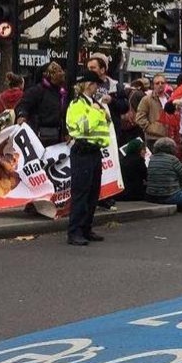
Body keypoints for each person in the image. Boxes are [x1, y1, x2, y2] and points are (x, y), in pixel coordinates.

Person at [65, 70, 111, 246]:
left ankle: (86, 228)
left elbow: (105, 125)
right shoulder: (77, 104)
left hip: (94, 150)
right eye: (95, 84)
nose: (97, 87)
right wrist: (96, 112)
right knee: (81, 192)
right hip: (82, 150)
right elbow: (82, 128)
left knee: (93, 192)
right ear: (89, 85)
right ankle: (74, 231)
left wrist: (102, 113)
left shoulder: (94, 103)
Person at [15, 61, 67, 147]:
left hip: (59, 139)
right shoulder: (37, 91)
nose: (63, 73)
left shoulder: (62, 93)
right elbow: (23, 105)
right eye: (59, 71)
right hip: (40, 138)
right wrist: (21, 115)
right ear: (51, 75)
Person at [135, 75, 169, 151]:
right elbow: (140, 118)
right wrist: (151, 128)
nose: (160, 85)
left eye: (162, 83)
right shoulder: (147, 99)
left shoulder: (169, 98)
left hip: (167, 137)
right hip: (153, 138)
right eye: (157, 83)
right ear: (153, 85)